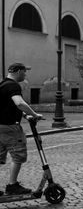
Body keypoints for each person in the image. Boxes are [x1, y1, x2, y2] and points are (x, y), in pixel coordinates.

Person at [0, 62, 43, 196]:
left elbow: (7, 106)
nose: (25, 74)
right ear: (18, 71)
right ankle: (12, 186)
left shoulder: (2, 85)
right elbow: (19, 103)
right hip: (10, 127)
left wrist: (24, 114)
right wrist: (34, 114)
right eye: (24, 71)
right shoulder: (13, 86)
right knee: (18, 155)